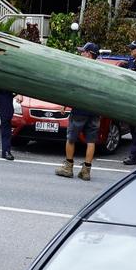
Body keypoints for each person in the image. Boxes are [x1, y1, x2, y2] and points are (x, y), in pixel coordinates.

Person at [56, 42, 102, 181]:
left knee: (71, 138)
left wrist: (65, 104)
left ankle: (68, 167)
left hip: (79, 109)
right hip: (94, 110)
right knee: (91, 141)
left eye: (83, 52)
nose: (81, 54)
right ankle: (86, 171)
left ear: (89, 54)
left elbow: (73, 88)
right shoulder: (101, 70)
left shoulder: (81, 68)